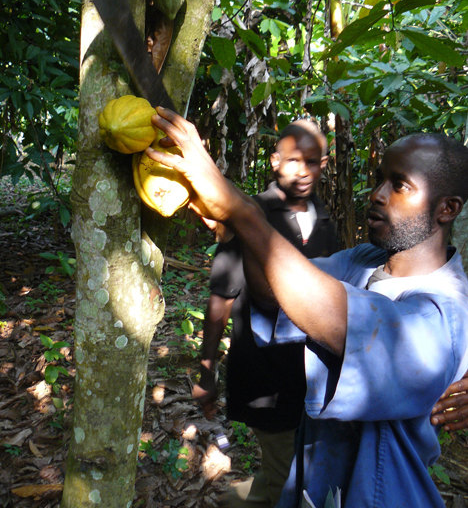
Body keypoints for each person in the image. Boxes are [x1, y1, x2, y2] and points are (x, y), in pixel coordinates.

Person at [146, 108, 468, 508]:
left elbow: (338, 319)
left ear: (447, 209)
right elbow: (274, 291)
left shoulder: (443, 312)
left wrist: (241, 211)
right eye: (380, 179)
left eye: (399, 185)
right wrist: (235, 225)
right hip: (317, 479)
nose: (378, 194)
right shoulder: (364, 261)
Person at [192, 120, 338, 507]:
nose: (303, 171)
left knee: (291, 469)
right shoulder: (250, 213)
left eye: (312, 161)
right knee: (283, 476)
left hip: (310, 378)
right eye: (293, 160)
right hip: (265, 376)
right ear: (275, 161)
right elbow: (221, 296)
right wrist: (207, 369)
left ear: (324, 163)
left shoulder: (324, 221)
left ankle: (238, 500)